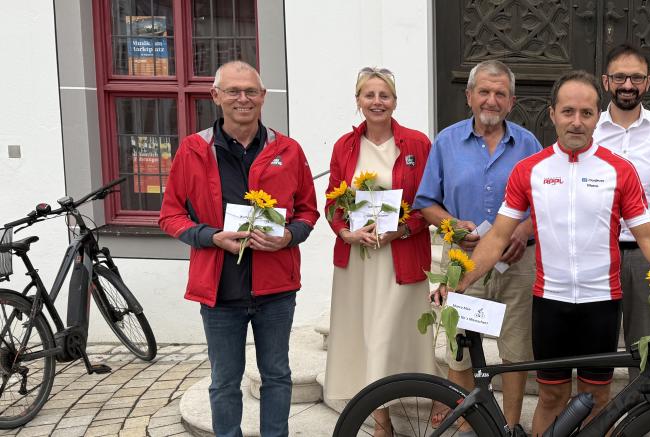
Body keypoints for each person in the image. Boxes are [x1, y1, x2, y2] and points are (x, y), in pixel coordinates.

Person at [433, 70, 650, 436]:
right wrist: (460, 281)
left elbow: (649, 236)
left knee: (597, 398)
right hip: (550, 303)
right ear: (552, 114)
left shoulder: (619, 170)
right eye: (568, 111)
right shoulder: (530, 170)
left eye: (586, 113)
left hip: (601, 303)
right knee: (551, 398)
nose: (577, 121)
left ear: (596, 118)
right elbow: (497, 237)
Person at [159, 60, 319, 437]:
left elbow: (308, 211)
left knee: (277, 376)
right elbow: (170, 216)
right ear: (216, 96)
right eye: (233, 91)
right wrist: (210, 236)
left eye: (250, 91)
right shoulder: (193, 150)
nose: (242, 98)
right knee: (224, 381)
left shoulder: (288, 150)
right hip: (219, 291)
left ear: (263, 97)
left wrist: (288, 237)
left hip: (276, 289)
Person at [413, 59, 541, 430]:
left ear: (511, 102)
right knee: (461, 349)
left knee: (516, 350)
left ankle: (508, 426)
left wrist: (523, 229)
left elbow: (546, 203)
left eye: (500, 93)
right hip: (463, 261)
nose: (491, 100)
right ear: (469, 96)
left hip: (517, 262)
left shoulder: (529, 144)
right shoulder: (446, 142)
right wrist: (451, 225)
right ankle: (467, 425)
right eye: (484, 91)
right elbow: (426, 203)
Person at [322, 67, 434, 432]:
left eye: (384, 95)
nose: (377, 102)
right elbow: (332, 202)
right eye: (369, 95)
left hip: (400, 256)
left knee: (388, 335)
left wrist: (400, 231)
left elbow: (429, 202)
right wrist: (346, 232)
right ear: (358, 101)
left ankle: (422, 396)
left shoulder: (417, 143)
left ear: (395, 101)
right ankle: (381, 419)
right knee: (365, 336)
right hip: (359, 261)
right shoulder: (344, 146)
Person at [592, 44, 650, 380]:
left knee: (644, 343)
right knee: (597, 340)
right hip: (599, 252)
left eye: (636, 78)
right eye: (619, 77)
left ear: (648, 82)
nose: (627, 85)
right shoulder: (590, 129)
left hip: (647, 254)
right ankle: (595, 403)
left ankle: (642, 404)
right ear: (606, 81)